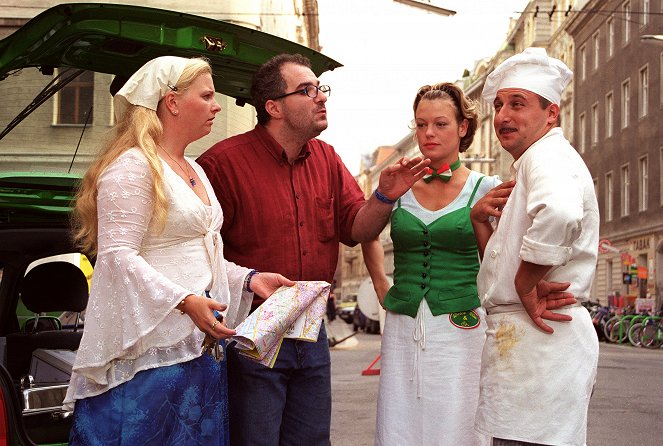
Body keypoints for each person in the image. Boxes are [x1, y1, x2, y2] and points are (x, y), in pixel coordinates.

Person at [197, 53, 429, 446]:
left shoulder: (326, 158)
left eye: (320, 88)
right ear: (273, 107)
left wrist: (385, 196)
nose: (321, 97)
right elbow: (198, 254)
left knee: (312, 440)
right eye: (307, 90)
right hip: (252, 333)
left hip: (310, 329)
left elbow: (357, 229)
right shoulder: (222, 165)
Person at [63, 56, 292, 446]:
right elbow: (118, 257)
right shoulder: (132, 166)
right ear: (171, 102)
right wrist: (184, 300)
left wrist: (250, 279)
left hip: (199, 350)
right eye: (206, 96)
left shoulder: (193, 169)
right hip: (151, 357)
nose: (217, 106)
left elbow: (202, 256)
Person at [470, 47, 600, 446]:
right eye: (499, 105)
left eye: (518, 104)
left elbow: (559, 213)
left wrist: (527, 282)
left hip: (542, 342)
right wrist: (479, 221)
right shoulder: (534, 161)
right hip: (527, 345)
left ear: (551, 113)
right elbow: (500, 267)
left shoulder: (547, 156)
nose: (503, 116)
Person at [361, 83, 501, 445]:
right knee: (400, 415)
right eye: (421, 125)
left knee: (458, 411)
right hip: (403, 321)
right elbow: (364, 231)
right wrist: (380, 283)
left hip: (462, 323)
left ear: (463, 127)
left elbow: (500, 260)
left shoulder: (486, 187)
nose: (428, 133)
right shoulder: (400, 184)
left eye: (440, 124)